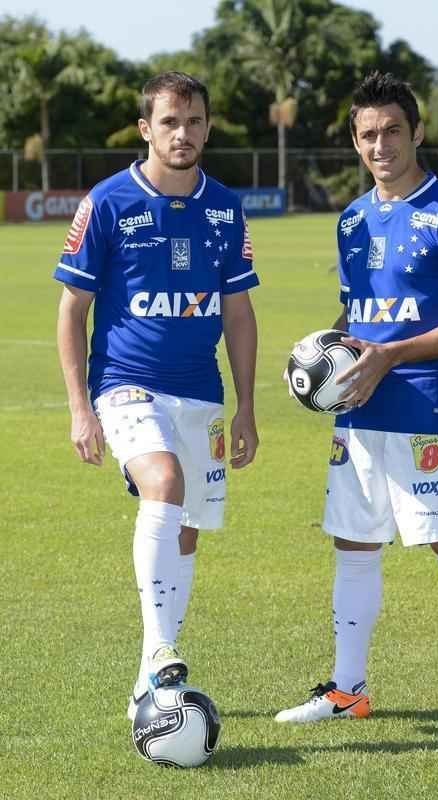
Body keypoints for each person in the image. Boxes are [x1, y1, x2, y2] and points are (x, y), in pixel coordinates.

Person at [276, 72, 438, 746]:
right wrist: (326, 357)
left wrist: (389, 356)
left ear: (416, 132)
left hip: (426, 412)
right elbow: (359, 314)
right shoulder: (350, 219)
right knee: (353, 546)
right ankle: (348, 691)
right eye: (367, 135)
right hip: (359, 413)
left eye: (392, 131)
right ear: (354, 140)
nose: (380, 145)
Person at [54, 72, 259, 721]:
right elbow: (71, 311)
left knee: (188, 530)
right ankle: (162, 646)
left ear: (207, 126)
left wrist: (248, 406)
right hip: (125, 385)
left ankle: (151, 677)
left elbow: (239, 314)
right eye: (169, 122)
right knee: (163, 483)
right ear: (146, 128)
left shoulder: (225, 207)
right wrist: (79, 407)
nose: (183, 133)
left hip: (202, 393)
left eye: (194, 121)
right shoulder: (108, 201)